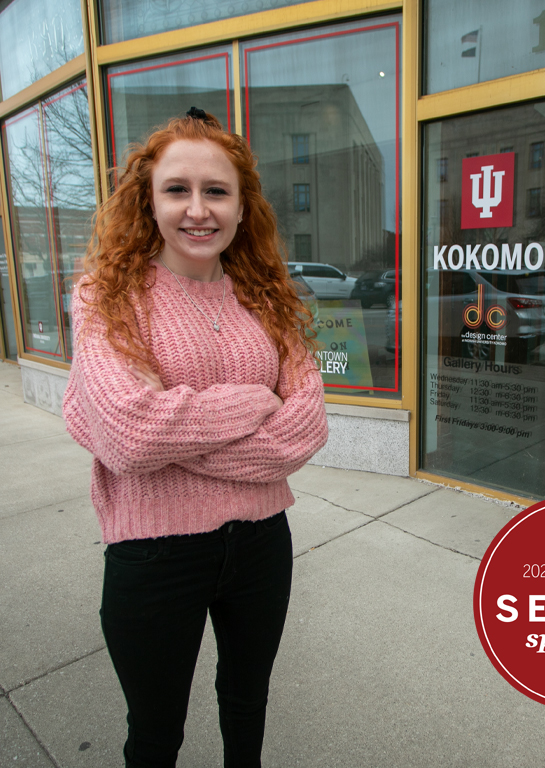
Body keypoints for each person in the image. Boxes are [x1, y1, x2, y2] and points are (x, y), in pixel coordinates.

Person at [62, 107, 328, 768]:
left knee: (248, 705)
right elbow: (128, 434)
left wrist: (176, 428)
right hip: (154, 554)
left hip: (263, 543)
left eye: (216, 191)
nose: (197, 209)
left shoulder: (269, 300)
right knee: (155, 734)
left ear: (242, 209)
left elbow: (306, 430)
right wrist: (252, 400)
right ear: (147, 202)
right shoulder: (106, 297)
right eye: (177, 189)